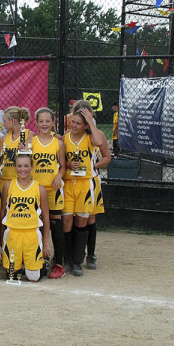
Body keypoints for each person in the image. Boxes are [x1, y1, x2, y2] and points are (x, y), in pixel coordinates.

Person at [62, 108, 104, 277]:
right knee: (66, 222)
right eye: (73, 122)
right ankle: (66, 259)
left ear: (86, 126)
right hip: (68, 184)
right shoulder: (64, 138)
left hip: (85, 184)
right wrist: (67, 163)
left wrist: (91, 122)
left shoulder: (90, 138)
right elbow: (60, 158)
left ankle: (78, 261)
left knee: (81, 221)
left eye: (79, 123)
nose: (74, 125)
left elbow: (100, 142)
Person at [72, 99, 111, 270]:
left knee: (90, 218)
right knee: (74, 218)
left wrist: (93, 165)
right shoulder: (70, 134)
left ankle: (91, 254)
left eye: (86, 114)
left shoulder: (96, 134)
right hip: (73, 181)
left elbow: (107, 157)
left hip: (90, 181)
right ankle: (74, 253)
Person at [0, 155, 50, 282]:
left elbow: (46, 218)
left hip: (31, 233)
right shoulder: (8, 186)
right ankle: (22, 265)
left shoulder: (40, 189)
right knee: (12, 276)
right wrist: (0, 241)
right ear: (15, 167)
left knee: (33, 278)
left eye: (26, 166)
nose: (23, 169)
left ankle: (41, 265)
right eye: (19, 166)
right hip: (12, 233)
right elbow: (3, 213)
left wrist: (45, 243)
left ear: (32, 167)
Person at [31, 108, 66, 279]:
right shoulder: (31, 141)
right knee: (37, 225)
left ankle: (59, 262)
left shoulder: (58, 143)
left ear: (53, 123)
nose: (44, 124)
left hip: (53, 189)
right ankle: (39, 258)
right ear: (36, 123)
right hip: (36, 190)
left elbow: (63, 166)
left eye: (48, 121)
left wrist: (59, 175)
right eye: (41, 121)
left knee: (55, 225)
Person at [1, 107, 35, 193]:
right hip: (6, 178)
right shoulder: (4, 138)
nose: (3, 124)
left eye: (5, 121)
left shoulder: (29, 135)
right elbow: (1, 159)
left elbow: (33, 158)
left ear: (12, 121)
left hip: (22, 179)